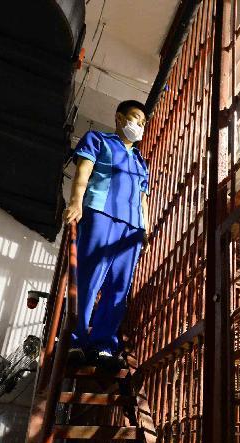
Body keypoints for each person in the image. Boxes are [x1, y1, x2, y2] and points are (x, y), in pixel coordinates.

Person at [63, 100, 150, 370]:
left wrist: (145, 228)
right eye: (135, 118)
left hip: (131, 228)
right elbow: (83, 171)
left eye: (143, 123)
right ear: (119, 117)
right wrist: (76, 202)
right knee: (89, 277)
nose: (139, 125)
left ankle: (103, 344)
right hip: (100, 214)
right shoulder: (98, 140)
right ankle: (74, 340)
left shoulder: (139, 161)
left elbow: (142, 197)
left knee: (119, 287)